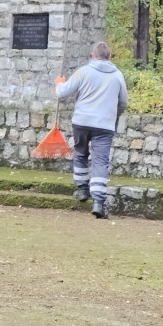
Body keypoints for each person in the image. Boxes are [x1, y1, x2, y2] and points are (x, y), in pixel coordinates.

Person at [56, 41, 128, 219]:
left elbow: (62, 93)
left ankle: (82, 189)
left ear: (93, 56)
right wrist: (113, 114)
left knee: (80, 153)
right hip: (104, 125)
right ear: (109, 57)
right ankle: (98, 202)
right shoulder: (117, 75)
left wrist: (59, 83)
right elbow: (123, 102)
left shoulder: (83, 72)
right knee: (100, 161)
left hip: (81, 121)